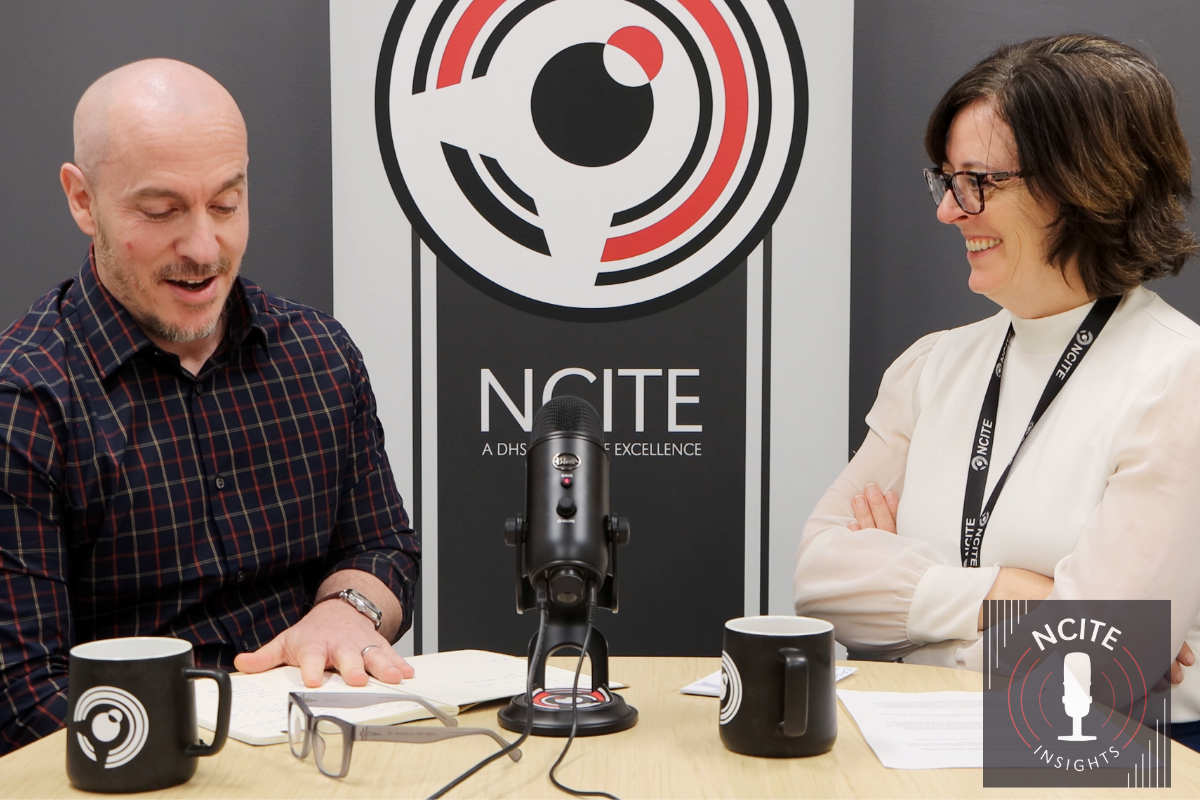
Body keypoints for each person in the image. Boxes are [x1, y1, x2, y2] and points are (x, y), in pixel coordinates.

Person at [0, 59, 419, 755]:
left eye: (226, 204)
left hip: (330, 753)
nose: (203, 248)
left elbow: (382, 546)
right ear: (83, 199)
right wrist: (231, 741)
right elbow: (26, 698)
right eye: (161, 211)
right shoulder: (26, 404)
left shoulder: (318, 353)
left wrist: (347, 612)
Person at [793, 34, 1200, 742]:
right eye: (946, 180)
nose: (950, 211)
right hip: (918, 739)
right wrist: (1016, 592)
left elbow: (1098, 674)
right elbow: (821, 581)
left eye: (979, 181)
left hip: (1107, 760)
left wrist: (913, 618)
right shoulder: (934, 365)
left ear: (1082, 185)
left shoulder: (1178, 376)